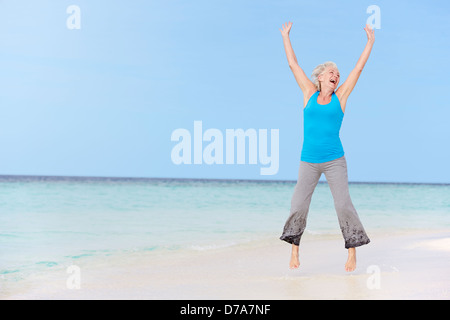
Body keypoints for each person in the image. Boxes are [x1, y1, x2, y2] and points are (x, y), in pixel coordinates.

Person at [279, 21, 374, 272]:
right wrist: (286, 37)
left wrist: (370, 42)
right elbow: (293, 64)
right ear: (321, 77)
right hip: (308, 160)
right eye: (332, 73)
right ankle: (294, 251)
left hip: (334, 160)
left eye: (338, 74)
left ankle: (352, 252)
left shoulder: (340, 97)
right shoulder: (308, 92)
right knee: (298, 204)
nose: (336, 76)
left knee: (343, 204)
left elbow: (359, 68)